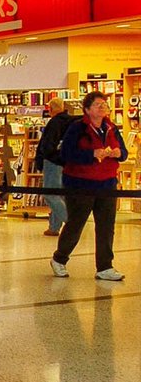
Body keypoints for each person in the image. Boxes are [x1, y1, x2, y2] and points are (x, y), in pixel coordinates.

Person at [50, 90, 127, 281]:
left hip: (107, 183)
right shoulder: (77, 128)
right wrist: (91, 155)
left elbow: (124, 152)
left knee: (106, 226)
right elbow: (66, 154)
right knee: (76, 224)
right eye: (97, 105)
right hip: (80, 184)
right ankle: (59, 259)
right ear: (87, 109)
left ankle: (105, 266)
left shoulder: (112, 128)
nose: (102, 108)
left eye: (104, 104)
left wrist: (118, 153)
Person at [35, 96, 74, 236]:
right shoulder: (70, 121)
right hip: (66, 162)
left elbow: (47, 145)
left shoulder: (54, 123)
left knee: (50, 194)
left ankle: (71, 223)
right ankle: (54, 227)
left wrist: (45, 157)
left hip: (53, 162)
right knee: (60, 194)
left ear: (50, 109)